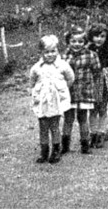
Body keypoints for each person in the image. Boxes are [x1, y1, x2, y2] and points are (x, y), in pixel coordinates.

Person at [30, 35, 74, 164]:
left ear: (57, 51)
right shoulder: (37, 68)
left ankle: (56, 150)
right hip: (42, 102)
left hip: (56, 102)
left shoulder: (62, 66)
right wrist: (36, 94)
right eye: (46, 52)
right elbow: (32, 82)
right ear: (41, 52)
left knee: (54, 126)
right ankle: (44, 151)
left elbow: (70, 79)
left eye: (53, 51)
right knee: (43, 126)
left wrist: (62, 91)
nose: (50, 54)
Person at [63, 25, 102, 155]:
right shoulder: (64, 57)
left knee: (83, 118)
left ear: (85, 42)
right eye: (73, 41)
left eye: (80, 41)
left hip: (85, 92)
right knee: (68, 118)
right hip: (69, 92)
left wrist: (96, 91)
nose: (77, 44)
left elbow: (97, 73)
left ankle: (85, 144)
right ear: (68, 42)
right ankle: (65, 146)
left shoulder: (91, 55)